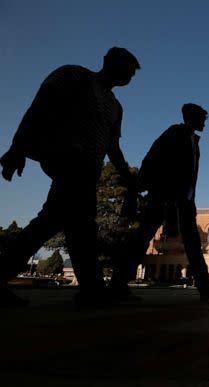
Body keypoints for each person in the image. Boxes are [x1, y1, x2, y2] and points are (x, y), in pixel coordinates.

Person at [0, 47, 140, 307]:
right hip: (65, 157)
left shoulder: (115, 106)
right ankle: (92, 288)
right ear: (108, 61)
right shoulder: (74, 75)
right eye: (126, 70)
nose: (128, 78)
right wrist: (17, 147)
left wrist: (128, 179)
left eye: (131, 75)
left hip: (89, 169)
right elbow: (39, 106)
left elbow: (113, 148)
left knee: (61, 222)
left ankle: (91, 287)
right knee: (77, 223)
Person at [109, 103, 209, 302]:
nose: (204, 124)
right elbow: (152, 158)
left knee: (192, 243)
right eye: (202, 119)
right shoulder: (174, 134)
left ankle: (205, 285)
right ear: (191, 118)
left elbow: (189, 174)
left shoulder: (193, 140)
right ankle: (117, 284)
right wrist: (141, 185)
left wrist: (190, 198)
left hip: (184, 201)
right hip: (165, 197)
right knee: (143, 238)